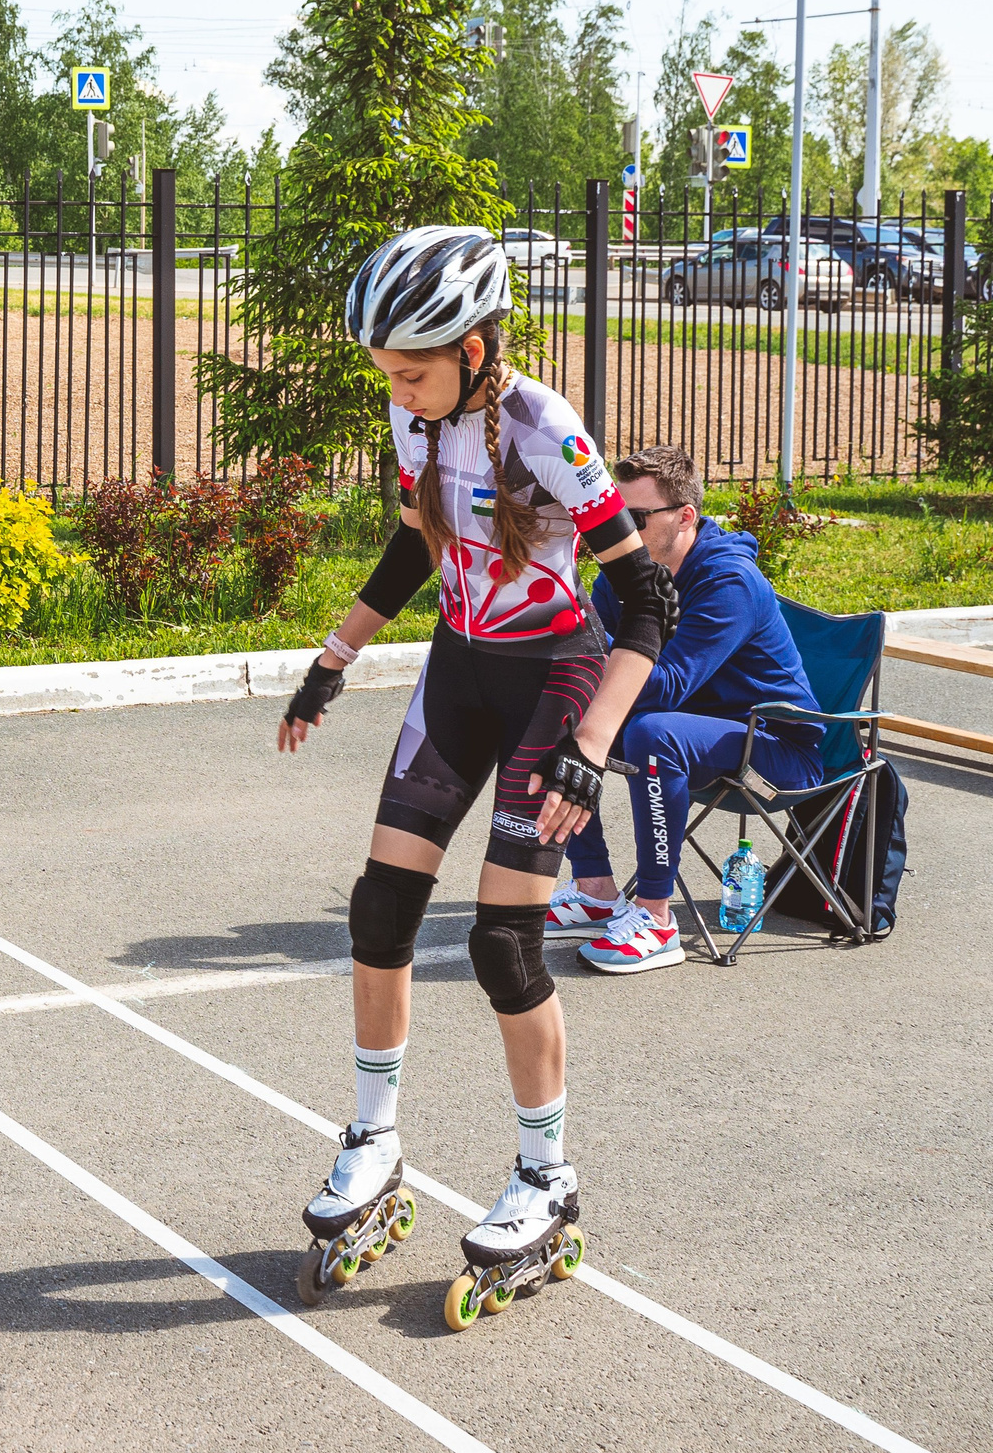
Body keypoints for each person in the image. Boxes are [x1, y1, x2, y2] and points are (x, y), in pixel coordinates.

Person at [275, 225, 680, 1315]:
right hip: (458, 669)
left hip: (555, 677)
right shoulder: (414, 412)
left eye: (411, 367)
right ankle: (370, 1138)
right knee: (379, 909)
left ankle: (547, 1177)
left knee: (504, 942)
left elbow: (645, 603)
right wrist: (333, 657)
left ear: (475, 343)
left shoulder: (548, 428)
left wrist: (590, 751)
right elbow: (416, 542)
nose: (395, 386)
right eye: (386, 371)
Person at [543, 446, 826, 973]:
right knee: (564, 712)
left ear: (684, 517)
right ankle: (596, 891)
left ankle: (656, 915)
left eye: (635, 517)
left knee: (652, 731)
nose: (618, 528)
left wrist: (584, 637)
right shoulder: (629, 570)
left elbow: (667, 684)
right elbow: (591, 657)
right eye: (612, 514)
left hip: (777, 750)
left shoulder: (728, 581)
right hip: (705, 734)